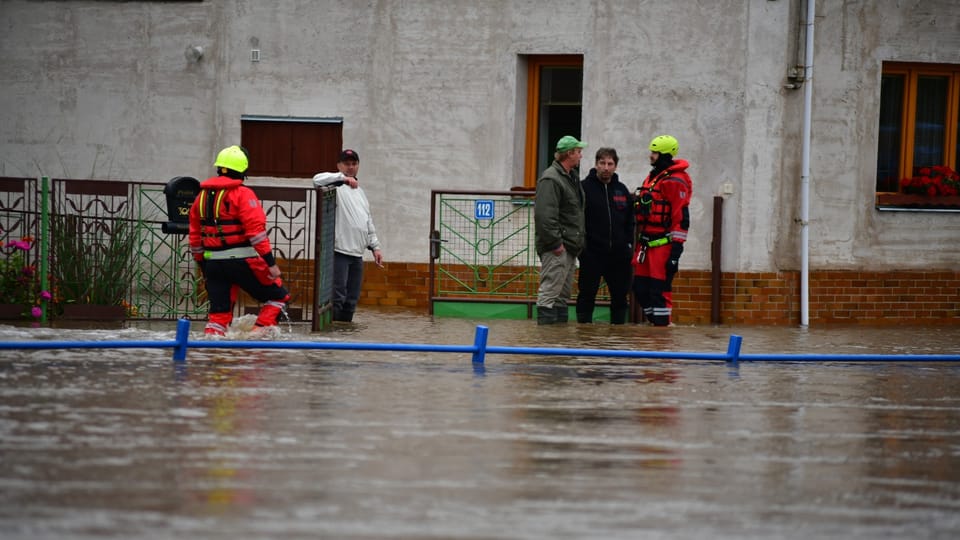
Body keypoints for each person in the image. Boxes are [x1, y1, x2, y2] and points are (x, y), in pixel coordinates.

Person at [189, 145, 290, 336]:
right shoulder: (243, 194)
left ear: (219, 168)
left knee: (218, 317)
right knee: (279, 297)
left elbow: (195, 238)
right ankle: (256, 338)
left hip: (213, 265)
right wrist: (271, 264)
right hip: (243, 262)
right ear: (243, 169)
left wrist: (204, 267)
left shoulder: (200, 197)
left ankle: (212, 356)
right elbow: (257, 234)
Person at [312, 149, 383, 322]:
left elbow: (368, 221)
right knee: (337, 297)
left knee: (351, 300)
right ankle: (334, 337)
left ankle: (345, 335)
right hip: (340, 252)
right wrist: (342, 178)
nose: (351, 167)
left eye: (354, 164)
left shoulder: (360, 192)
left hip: (357, 254)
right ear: (339, 166)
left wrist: (375, 247)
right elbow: (316, 180)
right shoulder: (334, 185)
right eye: (347, 164)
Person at [632, 135, 692, 326]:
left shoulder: (676, 180)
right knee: (639, 288)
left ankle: (662, 333)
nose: (651, 156)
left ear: (664, 155)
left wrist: (675, 252)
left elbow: (681, 219)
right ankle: (655, 325)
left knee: (659, 291)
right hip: (646, 243)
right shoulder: (653, 177)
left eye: (654, 153)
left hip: (663, 245)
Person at [576, 147, 635, 324]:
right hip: (591, 253)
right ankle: (583, 336)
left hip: (619, 255)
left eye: (610, 164)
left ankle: (617, 337)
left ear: (615, 166)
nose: (606, 167)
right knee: (587, 294)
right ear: (596, 164)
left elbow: (629, 220)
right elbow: (577, 218)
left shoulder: (621, 190)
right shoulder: (584, 188)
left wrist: (628, 245)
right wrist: (583, 247)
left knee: (619, 297)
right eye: (602, 163)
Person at [534, 135, 587, 325]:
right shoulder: (551, 178)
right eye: (578, 152)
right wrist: (556, 244)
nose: (581, 156)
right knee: (549, 293)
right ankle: (545, 342)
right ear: (569, 154)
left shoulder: (570, 177)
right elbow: (544, 216)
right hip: (557, 247)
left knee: (561, 296)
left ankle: (558, 342)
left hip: (569, 246)